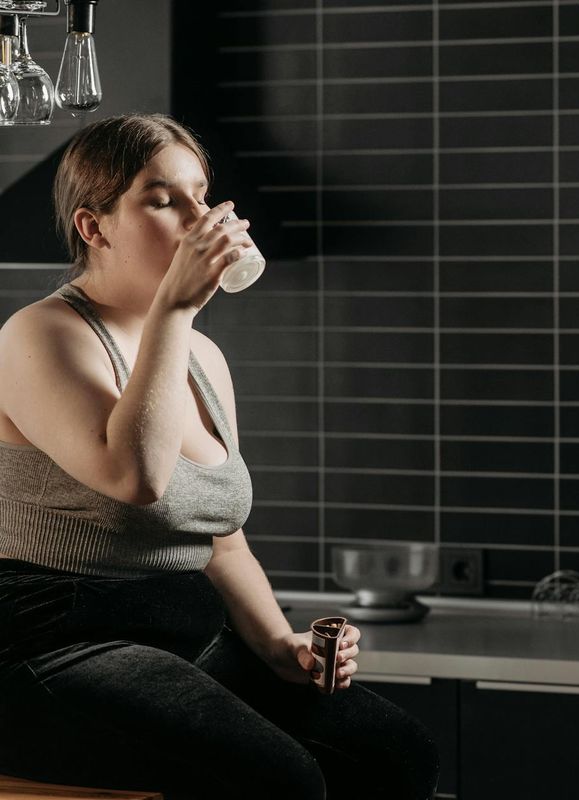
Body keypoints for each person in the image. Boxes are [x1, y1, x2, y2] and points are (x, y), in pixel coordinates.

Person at [0, 113, 439, 800]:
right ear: (95, 227)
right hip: (52, 648)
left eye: (201, 194)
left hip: (185, 640)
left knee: (393, 755)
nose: (198, 216)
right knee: (280, 779)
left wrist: (278, 646)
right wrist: (173, 311)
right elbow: (133, 477)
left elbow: (222, 541)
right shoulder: (39, 335)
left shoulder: (201, 355)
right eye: (162, 197)